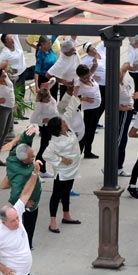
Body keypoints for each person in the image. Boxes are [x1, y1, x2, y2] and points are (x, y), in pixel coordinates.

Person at [43, 96, 83, 233]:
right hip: (63, 171)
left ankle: (66, 215)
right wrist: (61, 160)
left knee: (66, 192)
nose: (65, 122)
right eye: (62, 123)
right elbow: (46, 155)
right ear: (59, 129)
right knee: (56, 195)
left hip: (72, 169)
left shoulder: (68, 129)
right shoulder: (55, 142)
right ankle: (52, 222)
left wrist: (76, 95)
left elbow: (70, 110)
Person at [28, 80, 58, 178]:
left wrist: (50, 81)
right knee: (43, 148)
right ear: (42, 99)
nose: (49, 98)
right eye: (47, 98)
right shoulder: (40, 105)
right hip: (45, 128)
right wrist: (42, 120)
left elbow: (51, 83)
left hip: (52, 127)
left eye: (49, 96)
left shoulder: (51, 100)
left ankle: (43, 170)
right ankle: (39, 169)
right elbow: (33, 119)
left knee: (46, 147)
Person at [74, 63, 101, 159]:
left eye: (88, 75)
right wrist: (84, 99)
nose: (88, 78)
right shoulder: (78, 84)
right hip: (89, 109)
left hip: (96, 106)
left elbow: (94, 67)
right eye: (85, 77)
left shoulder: (90, 78)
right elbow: (73, 98)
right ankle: (79, 151)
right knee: (86, 131)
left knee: (92, 130)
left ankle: (88, 151)